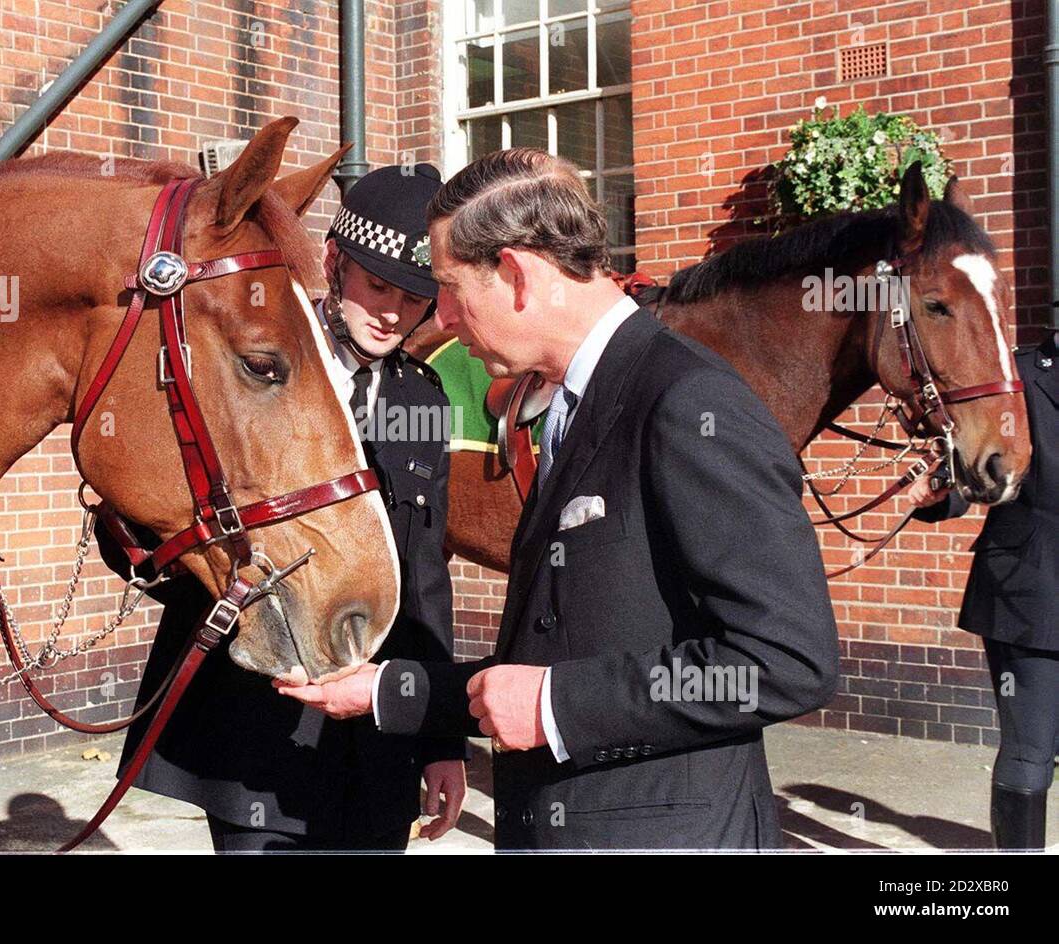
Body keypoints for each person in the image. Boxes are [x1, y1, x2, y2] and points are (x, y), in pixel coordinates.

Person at [279, 148, 840, 850]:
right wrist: (386, 690)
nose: (442, 318)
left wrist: (555, 705)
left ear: (515, 273)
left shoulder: (686, 399)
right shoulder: (577, 399)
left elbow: (786, 660)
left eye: (449, 288)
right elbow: (562, 648)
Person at [97, 163, 466, 852]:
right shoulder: (252, 366)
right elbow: (165, 529)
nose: (393, 312)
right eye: (378, 285)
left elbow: (424, 578)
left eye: (415, 298)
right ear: (334, 261)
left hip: (377, 743)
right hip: (254, 731)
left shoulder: (423, 398)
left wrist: (440, 737)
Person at [910, 330, 1057, 850]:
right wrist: (937, 496)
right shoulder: (1016, 376)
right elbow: (977, 469)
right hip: (1033, 593)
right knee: (1030, 748)